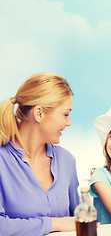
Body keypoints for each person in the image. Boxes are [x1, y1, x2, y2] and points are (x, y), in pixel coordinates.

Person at [0, 73, 79, 235]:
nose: (69, 122)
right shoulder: (2, 161)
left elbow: (76, 220)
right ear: (39, 114)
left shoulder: (66, 161)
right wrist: (53, 224)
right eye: (65, 114)